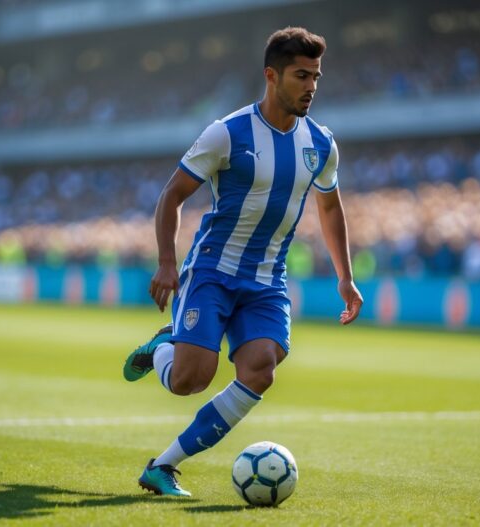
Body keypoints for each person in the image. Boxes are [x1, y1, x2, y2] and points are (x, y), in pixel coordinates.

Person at [122, 27, 363, 497]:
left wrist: (346, 278)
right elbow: (173, 195)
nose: (311, 86)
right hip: (212, 269)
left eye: (316, 76)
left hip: (267, 279)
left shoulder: (321, 144)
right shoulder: (227, 133)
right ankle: (163, 348)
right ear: (271, 76)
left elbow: (330, 208)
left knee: (261, 368)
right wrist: (167, 262)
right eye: (300, 75)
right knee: (191, 379)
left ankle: (163, 466)